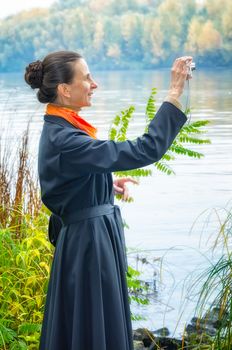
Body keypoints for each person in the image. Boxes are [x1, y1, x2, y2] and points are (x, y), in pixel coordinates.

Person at [24, 51, 192, 350]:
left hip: (90, 238)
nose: (94, 83)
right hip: (89, 245)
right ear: (64, 89)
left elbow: (64, 181)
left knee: (92, 322)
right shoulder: (66, 139)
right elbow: (145, 150)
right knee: (94, 326)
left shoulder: (61, 128)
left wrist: (105, 184)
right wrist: (175, 93)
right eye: (86, 77)